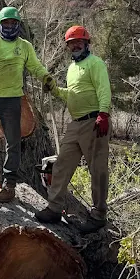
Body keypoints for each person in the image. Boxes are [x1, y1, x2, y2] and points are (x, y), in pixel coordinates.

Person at [0, 6, 54, 203]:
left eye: (13, 23)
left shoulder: (24, 46)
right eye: (6, 22)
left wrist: (46, 77)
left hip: (12, 100)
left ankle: (9, 186)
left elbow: (35, 66)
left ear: (18, 24)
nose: (9, 26)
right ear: (0, 24)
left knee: (13, 143)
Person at [35, 25, 111, 233]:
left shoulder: (95, 64)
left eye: (78, 42)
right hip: (76, 122)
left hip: (94, 121)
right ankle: (54, 207)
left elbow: (104, 89)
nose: (75, 45)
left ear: (87, 43)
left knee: (97, 169)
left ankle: (98, 215)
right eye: (71, 43)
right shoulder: (72, 68)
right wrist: (55, 89)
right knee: (61, 164)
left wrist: (103, 113)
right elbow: (71, 94)